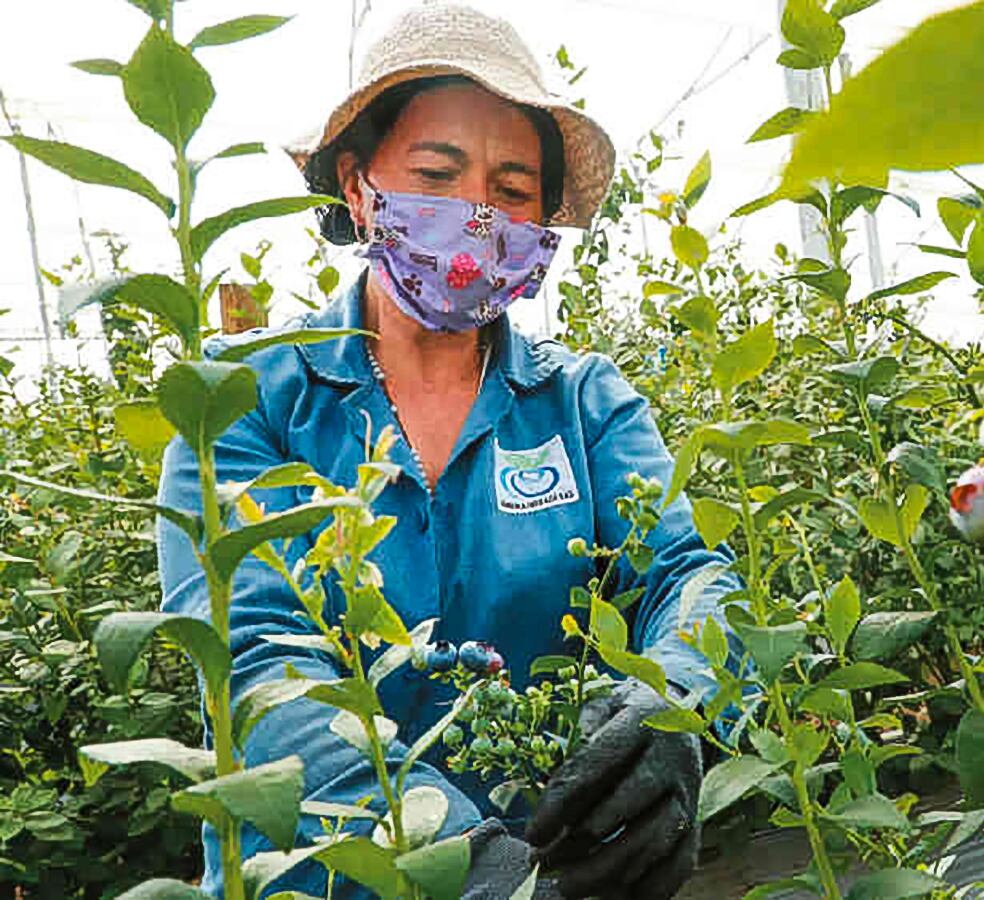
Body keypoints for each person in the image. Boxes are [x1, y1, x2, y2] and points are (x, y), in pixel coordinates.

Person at [155, 3, 740, 897]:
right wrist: (464, 862)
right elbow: (258, 660)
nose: (475, 215)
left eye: (511, 191)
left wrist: (676, 700)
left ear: (544, 224)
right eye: (437, 173)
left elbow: (687, 573)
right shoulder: (240, 398)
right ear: (359, 187)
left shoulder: (581, 403)